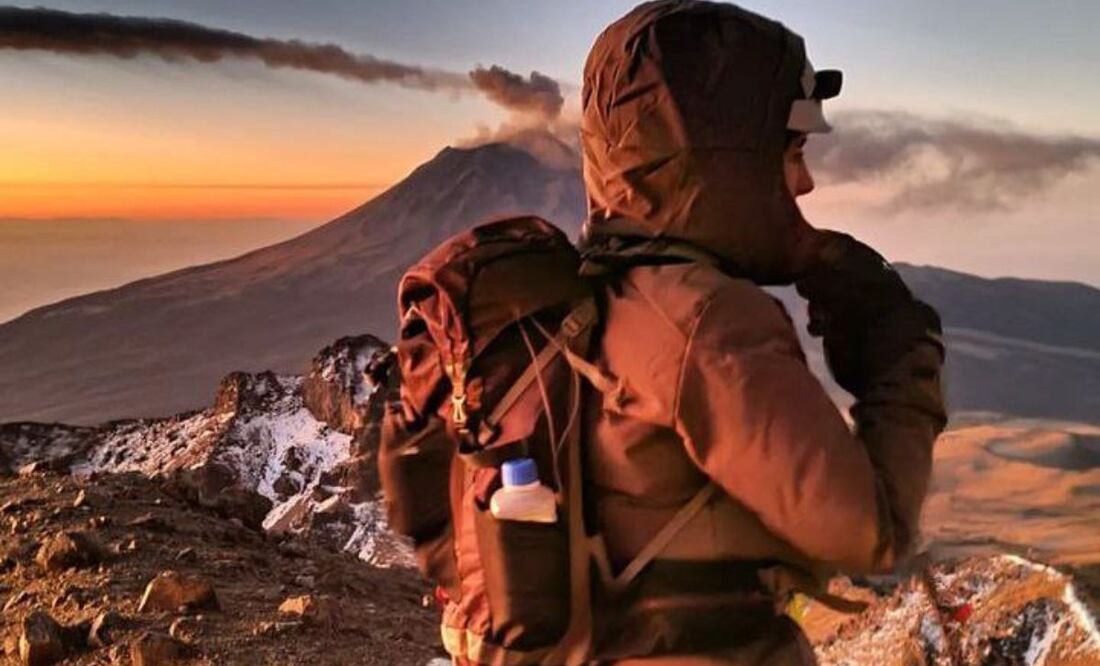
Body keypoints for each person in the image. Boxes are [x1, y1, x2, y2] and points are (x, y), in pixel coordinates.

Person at [577, 1, 947, 663]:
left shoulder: (600, 289)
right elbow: (871, 534)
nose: (804, 183)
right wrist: (901, 349)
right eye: (793, 152)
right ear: (724, 158)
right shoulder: (707, 320)